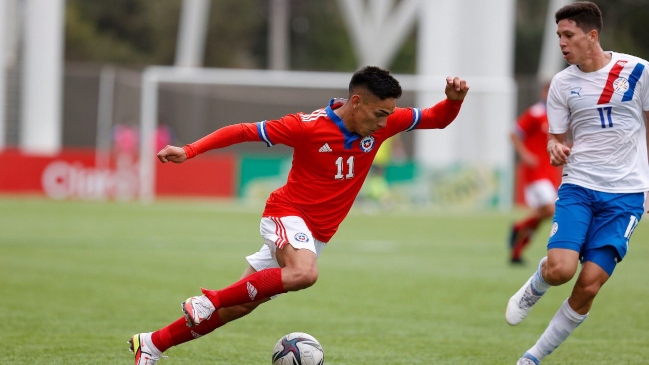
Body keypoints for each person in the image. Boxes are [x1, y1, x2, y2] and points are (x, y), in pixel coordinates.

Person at [129, 66, 470, 364]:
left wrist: (453, 100)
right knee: (304, 274)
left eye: (388, 115)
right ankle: (208, 300)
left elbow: (436, 118)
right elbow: (243, 131)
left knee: (239, 306)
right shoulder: (307, 127)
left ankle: (152, 344)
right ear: (356, 103)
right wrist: (189, 150)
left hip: (315, 234)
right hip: (286, 214)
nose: (385, 121)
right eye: (380, 113)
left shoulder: (385, 122)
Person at [505, 2, 649, 365]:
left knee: (588, 285)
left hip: (627, 195)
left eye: (568, 35)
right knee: (561, 271)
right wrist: (555, 147)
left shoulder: (638, 71)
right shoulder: (562, 83)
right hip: (580, 186)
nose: (562, 43)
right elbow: (555, 137)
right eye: (558, 36)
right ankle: (537, 281)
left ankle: (533, 357)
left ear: (592, 35)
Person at [508, 82, 561, 264]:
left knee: (540, 216)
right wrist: (526, 155)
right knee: (550, 209)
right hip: (536, 172)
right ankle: (518, 226)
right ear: (544, 91)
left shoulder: (557, 115)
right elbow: (514, 133)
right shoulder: (535, 112)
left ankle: (516, 253)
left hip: (549, 171)